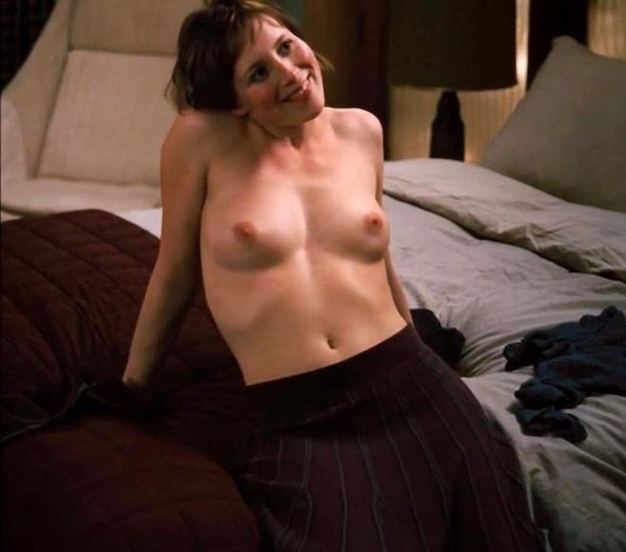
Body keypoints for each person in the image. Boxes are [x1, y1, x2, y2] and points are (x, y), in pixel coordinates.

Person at [122, 1, 541, 550]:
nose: (290, 72)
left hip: (408, 378)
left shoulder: (361, 129)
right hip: (300, 409)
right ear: (236, 103)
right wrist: (131, 390)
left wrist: (427, 359)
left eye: (285, 46)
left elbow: (379, 264)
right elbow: (174, 273)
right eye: (258, 72)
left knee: (499, 533)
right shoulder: (200, 140)